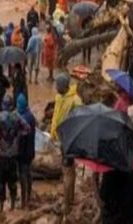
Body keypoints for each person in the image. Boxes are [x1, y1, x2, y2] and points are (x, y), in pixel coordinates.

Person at [0, 96, 31, 212]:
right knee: (12, 181)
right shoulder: (16, 116)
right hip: (13, 156)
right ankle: (13, 205)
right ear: (12, 105)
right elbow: (27, 129)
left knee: (1, 182)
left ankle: (2, 207)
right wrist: (18, 135)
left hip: (2, 156)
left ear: (3, 105)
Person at [50, 74, 83, 215]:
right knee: (70, 171)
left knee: (67, 172)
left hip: (69, 139)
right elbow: (56, 114)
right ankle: (71, 197)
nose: (56, 88)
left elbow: (81, 119)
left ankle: (66, 205)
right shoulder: (59, 97)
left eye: (58, 85)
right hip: (61, 137)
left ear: (64, 87)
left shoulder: (76, 101)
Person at [16, 94, 36, 208]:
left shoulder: (22, 119)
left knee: (22, 176)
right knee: (29, 174)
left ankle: (24, 201)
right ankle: (29, 195)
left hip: (23, 154)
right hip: (31, 151)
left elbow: (20, 139)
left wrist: (17, 153)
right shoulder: (31, 116)